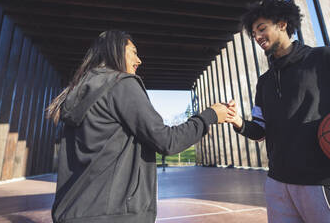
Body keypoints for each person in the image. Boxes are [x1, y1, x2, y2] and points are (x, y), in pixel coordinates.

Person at [47, 30, 231, 223]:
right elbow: (167, 141)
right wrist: (209, 116)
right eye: (133, 51)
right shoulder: (122, 84)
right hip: (116, 214)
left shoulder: (75, 93)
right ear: (115, 50)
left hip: (72, 212)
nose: (139, 60)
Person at [226, 0, 330, 222]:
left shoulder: (327, 59)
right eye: (253, 34)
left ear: (282, 24)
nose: (257, 37)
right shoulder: (264, 81)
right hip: (278, 185)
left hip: (325, 183)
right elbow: (260, 130)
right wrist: (237, 121)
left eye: (262, 29)